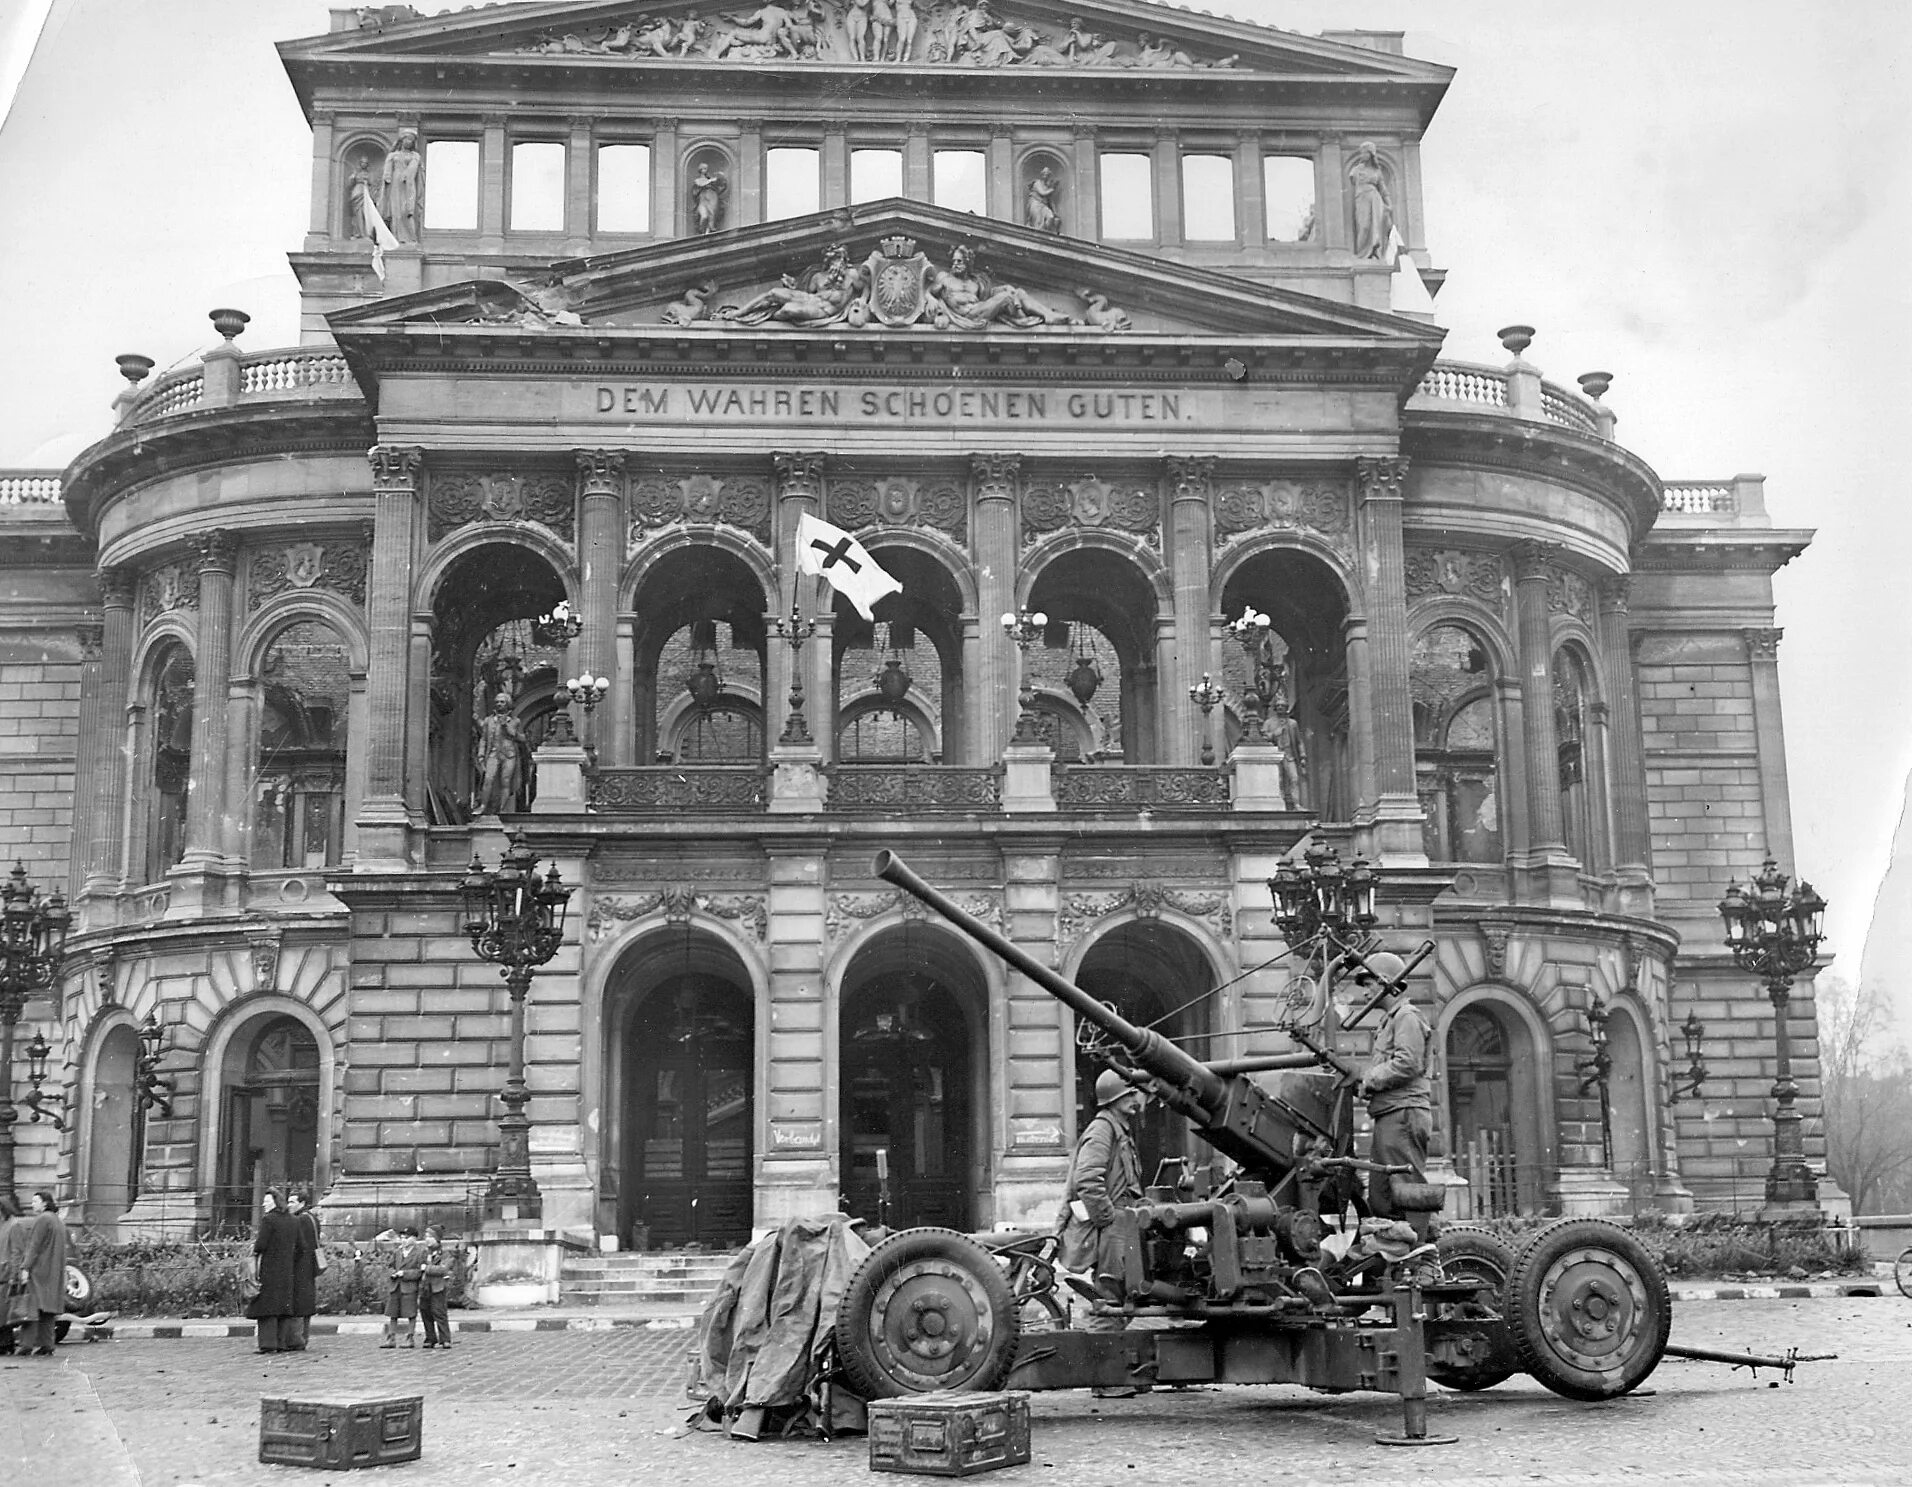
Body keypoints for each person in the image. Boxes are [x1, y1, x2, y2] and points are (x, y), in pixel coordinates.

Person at [1057, 1070, 1146, 1396]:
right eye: (1131, 1095)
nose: (1137, 1100)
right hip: (1114, 1224)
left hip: (1124, 1221)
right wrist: (1108, 1219)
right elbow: (1087, 1180)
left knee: (1122, 1293)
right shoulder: (1102, 1129)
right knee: (1109, 1294)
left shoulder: (1117, 1129)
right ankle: (1105, 1379)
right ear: (1115, 1099)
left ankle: (1113, 1373)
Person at [1354, 953, 1434, 1242]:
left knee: (1406, 1190)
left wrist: (1370, 1079)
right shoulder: (1391, 1020)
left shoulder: (1407, 1016)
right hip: (1391, 1114)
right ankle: (1394, 1259)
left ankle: (1420, 1260)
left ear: (1386, 982)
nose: (1365, 992)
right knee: (1383, 1196)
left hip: (1403, 1114)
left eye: (1369, 984)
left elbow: (1408, 1062)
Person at [247, 1187, 309, 1354]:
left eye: (267, 1202)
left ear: (275, 1202)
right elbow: (302, 1247)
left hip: (269, 1270)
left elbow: (260, 1245)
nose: (263, 1204)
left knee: (267, 1309)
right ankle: (281, 1343)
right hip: (287, 1270)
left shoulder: (269, 1220)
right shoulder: (294, 1221)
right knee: (283, 1308)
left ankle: (268, 1344)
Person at [471, 693, 528, 816]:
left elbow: (521, 738)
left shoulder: (515, 721)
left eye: (502, 702)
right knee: (488, 779)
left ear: (507, 704)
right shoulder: (489, 720)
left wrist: (506, 726)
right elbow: (484, 739)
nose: (499, 704)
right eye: (497, 702)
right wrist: (481, 753)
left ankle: (502, 809)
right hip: (493, 753)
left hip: (509, 754)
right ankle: (483, 805)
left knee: (505, 781)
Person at [376, 1225, 427, 1348]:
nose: (403, 1240)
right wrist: (392, 1274)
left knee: (410, 1313)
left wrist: (404, 1273)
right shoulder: (397, 1252)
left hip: (409, 1286)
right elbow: (390, 1267)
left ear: (414, 1239)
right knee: (393, 1313)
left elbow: (420, 1272)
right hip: (396, 1286)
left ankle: (410, 1338)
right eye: (402, 1237)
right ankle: (391, 1338)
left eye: (407, 1237)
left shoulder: (420, 1252)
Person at [284, 1188, 322, 1352]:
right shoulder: (312, 1218)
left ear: (302, 1203)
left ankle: (296, 1339)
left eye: (292, 1202)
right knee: (305, 1302)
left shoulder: (299, 1220)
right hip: (310, 1265)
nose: (288, 1205)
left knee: (298, 1302)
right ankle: (302, 1337)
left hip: (300, 1265)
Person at [1347, 141, 1393, 260]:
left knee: (1376, 227)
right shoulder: (1356, 170)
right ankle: (1362, 254)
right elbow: (1352, 179)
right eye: (1361, 153)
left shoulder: (1377, 172)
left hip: (1375, 199)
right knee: (1364, 226)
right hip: (1362, 199)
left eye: (1364, 153)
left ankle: (1374, 253)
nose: (1362, 155)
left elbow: (1383, 189)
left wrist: (1389, 203)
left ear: (1370, 154)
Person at [379, 129, 423, 244]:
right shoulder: (393, 155)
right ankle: (396, 236)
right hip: (395, 184)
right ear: (402, 140)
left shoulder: (415, 156)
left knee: (407, 211)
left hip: (408, 185)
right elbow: (387, 171)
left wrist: (406, 175)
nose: (409, 142)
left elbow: (412, 169)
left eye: (411, 140)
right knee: (395, 210)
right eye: (407, 139)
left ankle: (410, 237)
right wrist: (387, 177)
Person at [418, 1228, 453, 1349]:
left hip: (438, 1286)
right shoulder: (423, 1253)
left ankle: (445, 1339)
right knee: (425, 1312)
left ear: (437, 1238)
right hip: (424, 1286)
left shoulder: (445, 1253)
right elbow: (418, 1267)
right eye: (426, 1236)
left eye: (430, 1236)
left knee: (439, 1312)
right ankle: (430, 1338)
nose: (427, 1239)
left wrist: (427, 1268)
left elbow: (443, 1269)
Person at [0, 1192, 24, 1354]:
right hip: (1, 1272)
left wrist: (15, 1275)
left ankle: (6, 1344)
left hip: (7, 1274)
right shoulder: (2, 1225)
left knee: (5, 1312)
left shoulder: (14, 1225)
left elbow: (17, 1252)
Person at [691, 162, 728, 235]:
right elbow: (697, 189)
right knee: (704, 216)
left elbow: (722, 187)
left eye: (706, 169)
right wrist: (710, 181)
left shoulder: (712, 180)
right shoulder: (698, 181)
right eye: (704, 169)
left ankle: (708, 231)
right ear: (700, 170)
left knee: (712, 215)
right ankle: (702, 231)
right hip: (703, 200)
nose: (706, 170)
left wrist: (721, 177)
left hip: (712, 198)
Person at [1025, 165, 1060, 234]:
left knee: (1051, 217)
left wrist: (1055, 212)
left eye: (1047, 174)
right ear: (1041, 174)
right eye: (1044, 174)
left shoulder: (1047, 186)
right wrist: (1053, 189)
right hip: (1036, 204)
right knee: (1037, 221)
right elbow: (1043, 193)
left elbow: (1050, 201)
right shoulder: (1037, 183)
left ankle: (1044, 231)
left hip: (1044, 205)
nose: (1045, 175)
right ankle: (1039, 233)